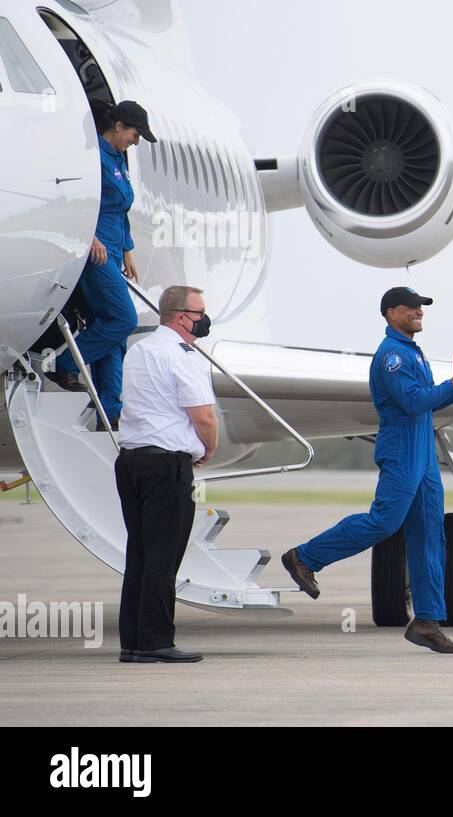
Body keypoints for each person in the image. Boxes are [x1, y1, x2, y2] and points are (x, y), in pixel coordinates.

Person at [281, 287, 453, 654]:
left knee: (430, 532)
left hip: (422, 449)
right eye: (411, 307)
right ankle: (304, 557)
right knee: (384, 522)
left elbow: (425, 403)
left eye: (422, 307)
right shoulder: (392, 356)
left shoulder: (412, 352)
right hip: (402, 448)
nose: (419, 312)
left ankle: (427, 621)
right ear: (390, 313)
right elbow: (414, 402)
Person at [114, 285, 217, 663]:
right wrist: (209, 448)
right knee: (164, 557)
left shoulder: (138, 350)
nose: (204, 319)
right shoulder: (181, 356)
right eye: (200, 312)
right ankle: (157, 641)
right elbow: (202, 415)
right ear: (180, 317)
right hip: (166, 465)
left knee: (139, 554)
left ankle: (134, 642)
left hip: (131, 462)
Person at [47, 100, 157, 431]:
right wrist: (87, 233)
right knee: (123, 319)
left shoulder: (119, 162)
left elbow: (120, 211)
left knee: (112, 331)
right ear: (120, 126)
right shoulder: (90, 157)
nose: (136, 142)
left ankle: (109, 410)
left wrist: (127, 251)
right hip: (91, 251)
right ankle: (63, 363)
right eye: (136, 134)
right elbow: (72, 198)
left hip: (111, 249)